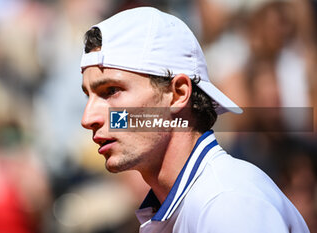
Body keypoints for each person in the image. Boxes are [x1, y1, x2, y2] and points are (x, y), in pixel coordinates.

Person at [79, 7, 309, 233]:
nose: (88, 118)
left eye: (111, 91)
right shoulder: (202, 201)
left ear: (178, 94)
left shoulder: (227, 204)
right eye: (88, 96)